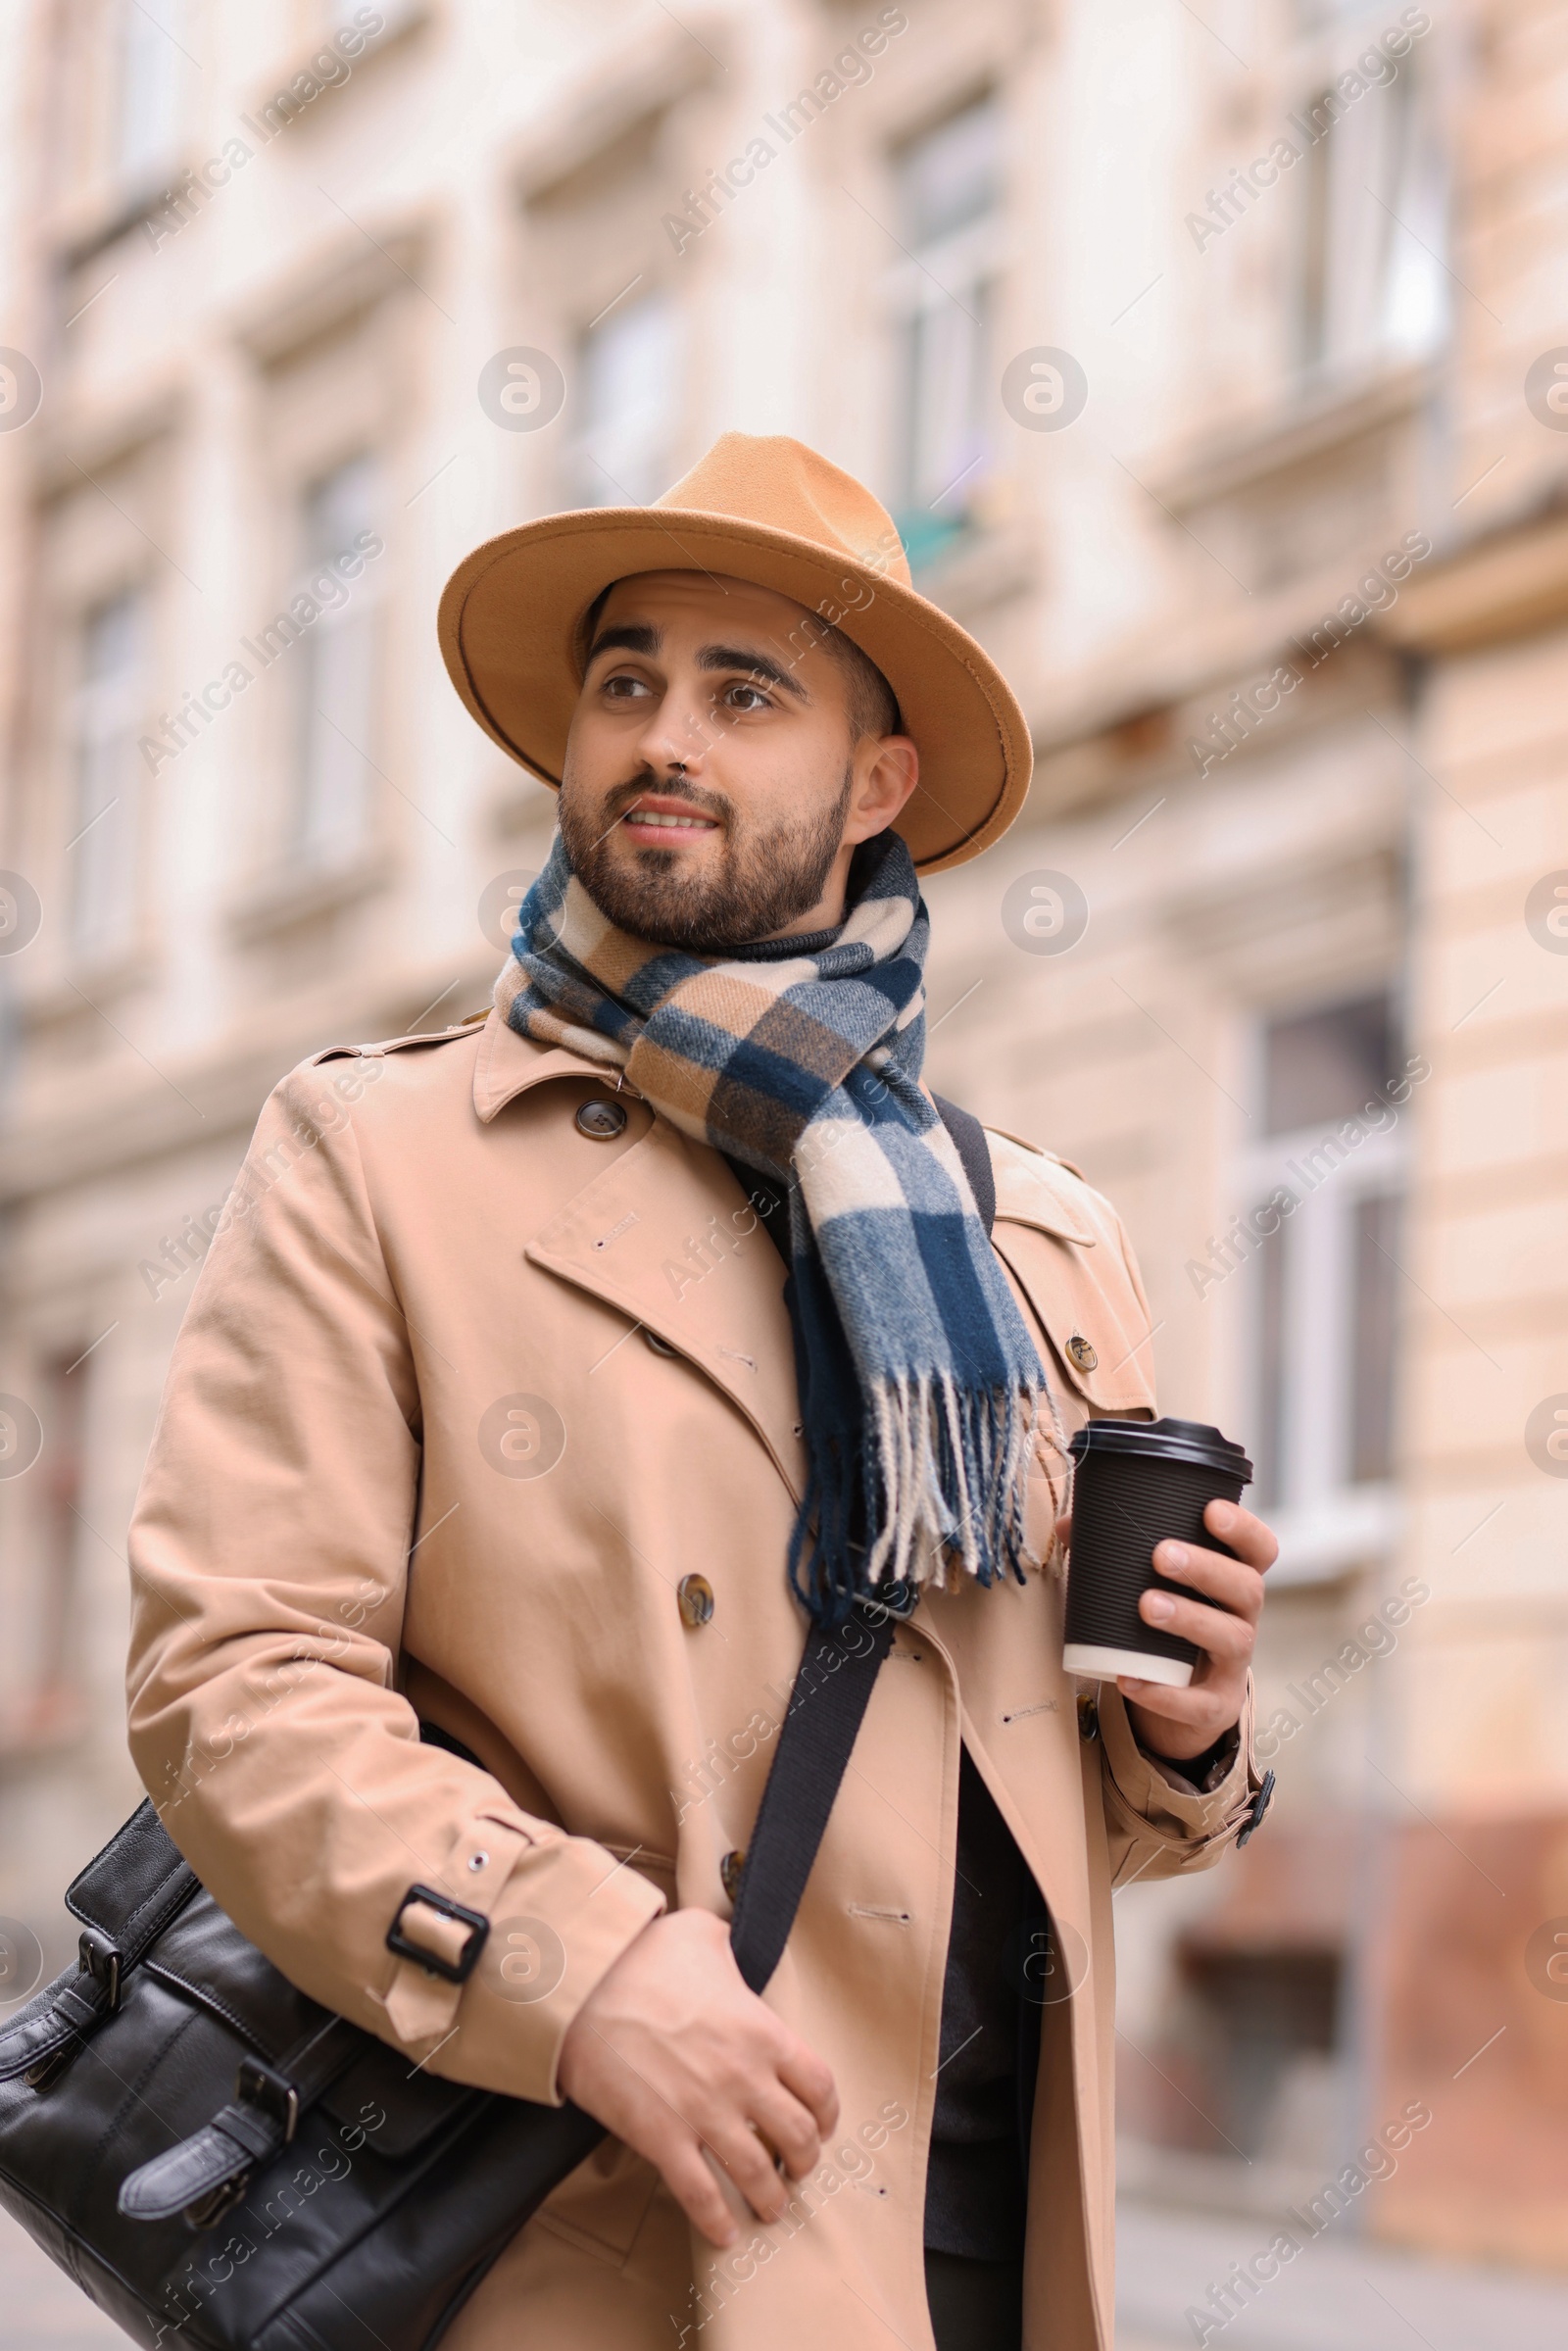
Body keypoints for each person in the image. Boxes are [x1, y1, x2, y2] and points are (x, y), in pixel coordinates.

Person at [126, 434, 1276, 2351]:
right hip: (590, 2236)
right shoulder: (379, 1153)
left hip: (980, 2256)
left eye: (743, 693)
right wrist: (574, 1971)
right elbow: (234, 1683)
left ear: (874, 782)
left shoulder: (1035, 1234)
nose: (665, 734)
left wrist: (1184, 1741)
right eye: (625, 680)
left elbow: (1072, 1798)